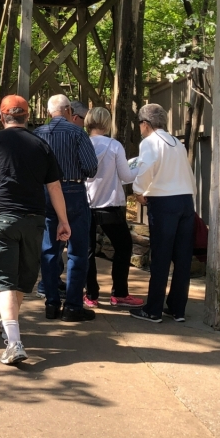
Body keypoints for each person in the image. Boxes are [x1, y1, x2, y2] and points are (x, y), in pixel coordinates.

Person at [0, 96, 71, 365]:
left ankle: (14, 340)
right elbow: (55, 187)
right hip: (34, 218)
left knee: (3, 277)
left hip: (1, 217)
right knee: (24, 275)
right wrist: (63, 220)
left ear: (3, 117)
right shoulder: (40, 144)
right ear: (27, 117)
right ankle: (8, 323)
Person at [34, 94, 100, 322]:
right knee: (78, 251)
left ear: (48, 111)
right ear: (69, 110)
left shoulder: (38, 134)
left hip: (45, 193)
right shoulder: (77, 133)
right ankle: (73, 306)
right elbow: (91, 168)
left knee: (49, 249)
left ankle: (51, 303)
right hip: (73, 191)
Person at [130, 103, 197, 323]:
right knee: (182, 257)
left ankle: (153, 309)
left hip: (164, 203)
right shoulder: (176, 142)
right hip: (185, 201)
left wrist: (138, 190)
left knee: (160, 255)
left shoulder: (150, 142)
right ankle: (177, 308)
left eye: (140, 123)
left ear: (146, 123)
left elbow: (146, 168)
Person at [83, 106, 143, 309]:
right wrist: (137, 166)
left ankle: (91, 294)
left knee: (88, 251)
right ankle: (119, 292)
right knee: (124, 247)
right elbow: (126, 176)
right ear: (108, 123)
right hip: (111, 206)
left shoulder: (82, 144)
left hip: (86, 204)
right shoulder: (114, 146)